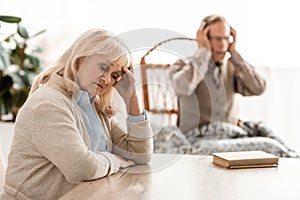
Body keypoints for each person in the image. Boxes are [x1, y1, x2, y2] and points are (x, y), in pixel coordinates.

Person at [0, 29, 153, 200]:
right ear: (79, 60)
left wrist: (132, 100)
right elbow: (81, 167)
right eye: (103, 67)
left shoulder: (93, 106)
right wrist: (116, 161)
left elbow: (140, 155)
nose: (107, 79)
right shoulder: (48, 103)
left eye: (115, 75)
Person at [158, 14, 298, 157]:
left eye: (227, 38)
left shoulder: (233, 67)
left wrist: (234, 54)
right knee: (268, 146)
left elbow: (259, 87)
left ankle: (293, 159)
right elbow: (183, 87)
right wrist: (204, 52)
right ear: (203, 39)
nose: (223, 45)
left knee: (267, 135)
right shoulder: (184, 67)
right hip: (200, 138)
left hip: (232, 135)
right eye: (218, 39)